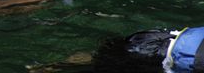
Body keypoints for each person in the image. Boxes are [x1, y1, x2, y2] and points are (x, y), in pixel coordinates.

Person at [28, 26, 204, 73]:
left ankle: (53, 66)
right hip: (151, 56)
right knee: (98, 62)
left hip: (161, 38)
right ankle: (52, 66)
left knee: (100, 57)